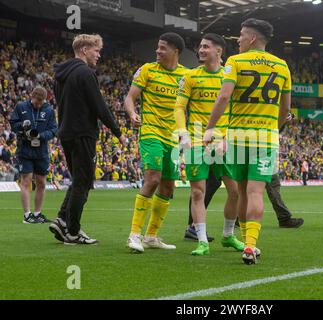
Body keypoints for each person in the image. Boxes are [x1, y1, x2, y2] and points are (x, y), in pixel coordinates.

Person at [204, 18, 292, 264]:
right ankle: (250, 246)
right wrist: (272, 129)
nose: (238, 39)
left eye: (241, 35)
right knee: (256, 192)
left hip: (238, 137)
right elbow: (285, 110)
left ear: (252, 38)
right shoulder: (282, 65)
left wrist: (210, 128)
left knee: (242, 191)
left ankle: (246, 243)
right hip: (265, 138)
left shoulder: (235, 62)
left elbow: (223, 98)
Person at [49, 34, 126, 245]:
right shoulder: (85, 73)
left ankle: (62, 220)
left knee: (78, 180)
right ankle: (73, 232)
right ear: (84, 50)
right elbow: (99, 106)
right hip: (83, 133)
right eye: (96, 50)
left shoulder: (60, 75)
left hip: (66, 132)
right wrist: (118, 131)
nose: (99, 55)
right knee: (83, 183)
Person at [183, 112, 304, 242]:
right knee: (216, 186)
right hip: (238, 142)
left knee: (228, 187)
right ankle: (197, 227)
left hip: (235, 141)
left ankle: (226, 230)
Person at [174, 33, 244, 256]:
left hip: (226, 140)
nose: (201, 50)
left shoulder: (231, 77)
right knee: (197, 192)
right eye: (200, 47)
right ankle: (202, 241)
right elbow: (178, 107)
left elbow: (237, 111)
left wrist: (226, 138)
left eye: (206, 47)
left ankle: (228, 235)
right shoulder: (190, 77)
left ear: (219, 51)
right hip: (196, 139)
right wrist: (183, 134)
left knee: (235, 191)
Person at [125, 32, 190, 253]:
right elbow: (130, 97)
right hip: (151, 131)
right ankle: (134, 234)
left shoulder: (186, 76)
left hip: (173, 138)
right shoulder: (147, 70)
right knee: (152, 178)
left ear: (175, 51)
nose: (158, 51)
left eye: (163, 48)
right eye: (157, 47)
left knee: (168, 186)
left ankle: (151, 236)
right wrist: (133, 113)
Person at [10, 86, 57, 224]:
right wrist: (21, 127)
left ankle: (37, 214)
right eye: (37, 101)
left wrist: (41, 136)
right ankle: (27, 215)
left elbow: (54, 129)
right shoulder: (21, 107)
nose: (39, 104)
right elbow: (13, 124)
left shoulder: (48, 110)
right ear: (32, 96)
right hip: (25, 149)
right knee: (26, 181)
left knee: (41, 183)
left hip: (41, 150)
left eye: (41, 102)